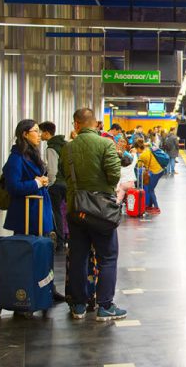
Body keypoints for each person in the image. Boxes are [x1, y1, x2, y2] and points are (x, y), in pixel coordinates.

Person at [61, 108, 127, 321]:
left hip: (76, 209)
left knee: (78, 257)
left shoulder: (67, 148)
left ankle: (79, 306)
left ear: (76, 124)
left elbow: (63, 174)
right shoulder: (105, 144)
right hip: (100, 211)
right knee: (107, 257)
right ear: (96, 123)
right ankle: (105, 306)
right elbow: (114, 176)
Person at [3, 119, 65, 302]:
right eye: (35, 131)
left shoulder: (32, 155)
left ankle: (47, 288)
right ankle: (26, 293)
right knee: (28, 255)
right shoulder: (16, 158)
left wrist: (41, 181)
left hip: (39, 211)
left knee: (44, 252)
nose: (39, 135)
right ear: (24, 134)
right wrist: (37, 183)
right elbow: (13, 187)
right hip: (27, 214)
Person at [39, 121, 67, 245]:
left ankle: (59, 241)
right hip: (67, 183)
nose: (39, 135)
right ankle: (67, 238)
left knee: (56, 213)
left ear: (46, 133)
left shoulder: (51, 147)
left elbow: (52, 170)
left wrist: (49, 183)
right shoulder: (64, 144)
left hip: (57, 184)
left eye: (40, 132)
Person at [132, 138, 164, 214]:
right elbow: (148, 144)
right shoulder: (148, 149)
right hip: (160, 169)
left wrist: (134, 154)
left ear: (138, 148)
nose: (137, 151)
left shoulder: (142, 155)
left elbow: (138, 165)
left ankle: (156, 208)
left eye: (136, 149)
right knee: (150, 188)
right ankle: (150, 205)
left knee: (150, 190)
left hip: (156, 172)